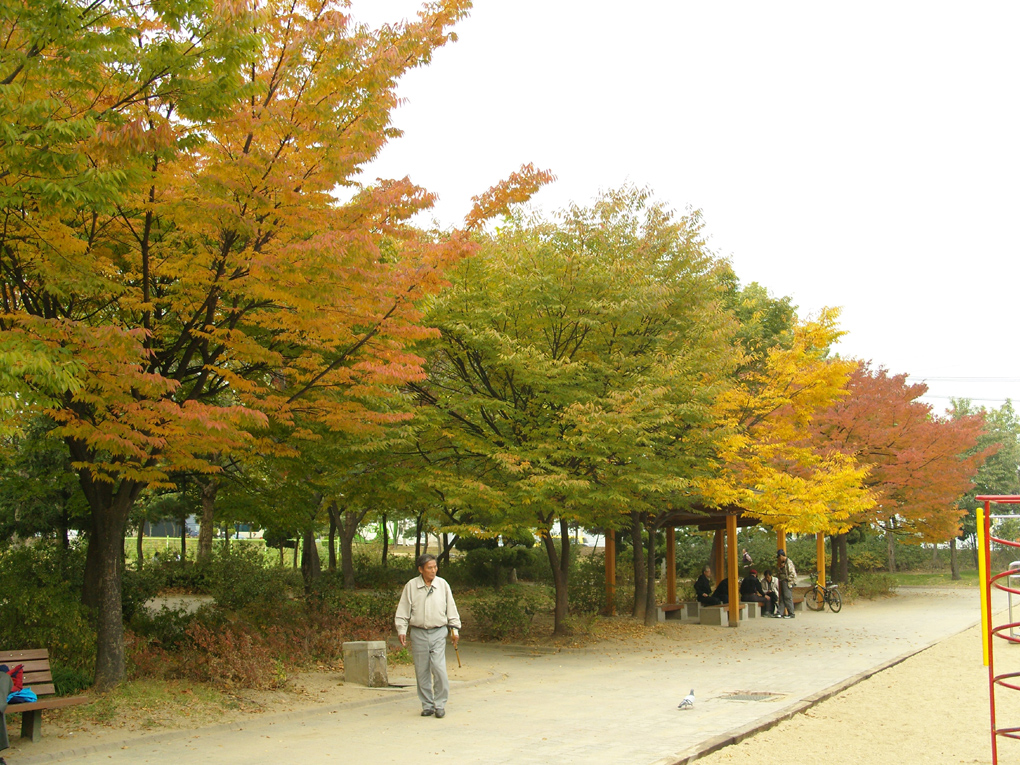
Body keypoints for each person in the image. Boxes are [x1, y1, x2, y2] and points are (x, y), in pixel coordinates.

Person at [395, 553, 461, 719]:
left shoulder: (442, 585)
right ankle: (427, 705)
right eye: (429, 568)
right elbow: (403, 610)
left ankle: (440, 704)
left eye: (435, 567)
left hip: (439, 631)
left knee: (439, 668)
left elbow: (451, 608)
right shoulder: (411, 586)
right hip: (418, 632)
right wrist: (401, 630)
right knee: (421, 670)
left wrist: (455, 629)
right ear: (421, 569)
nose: (433, 570)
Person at [777, 549, 797, 618]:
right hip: (783, 581)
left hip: (788, 582)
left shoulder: (789, 562)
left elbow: (792, 574)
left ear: (781, 556)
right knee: (782, 597)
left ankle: (791, 613)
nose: (779, 559)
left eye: (779, 557)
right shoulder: (783, 563)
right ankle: (780, 612)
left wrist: (787, 579)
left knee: (787, 597)